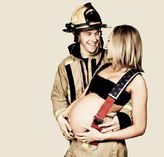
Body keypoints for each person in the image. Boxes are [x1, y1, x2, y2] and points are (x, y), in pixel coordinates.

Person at [51, 3, 132, 142]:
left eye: (97, 33)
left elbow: (132, 92)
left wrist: (123, 118)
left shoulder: (115, 60)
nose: (94, 39)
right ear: (77, 36)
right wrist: (60, 117)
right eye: (88, 33)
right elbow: (58, 95)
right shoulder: (65, 66)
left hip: (110, 140)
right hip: (77, 143)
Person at [63, 24, 148, 157]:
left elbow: (139, 127)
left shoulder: (137, 81)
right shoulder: (104, 67)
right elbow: (84, 95)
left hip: (103, 146)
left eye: (109, 41)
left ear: (121, 45)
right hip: (78, 145)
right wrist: (64, 116)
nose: (106, 46)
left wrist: (102, 137)